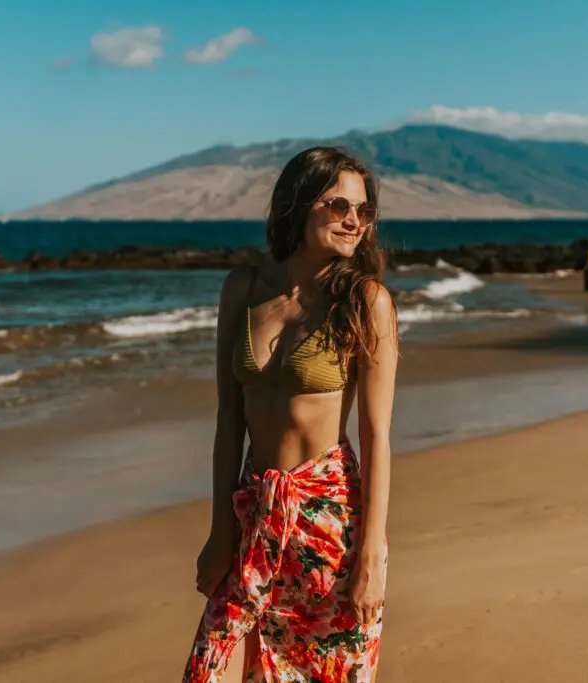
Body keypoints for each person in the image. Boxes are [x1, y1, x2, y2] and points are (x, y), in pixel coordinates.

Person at [182, 146, 399, 682]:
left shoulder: (366, 302)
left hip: (330, 524)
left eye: (363, 210)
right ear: (298, 205)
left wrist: (371, 554)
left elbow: (376, 438)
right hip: (254, 513)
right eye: (338, 205)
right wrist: (219, 532)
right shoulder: (244, 289)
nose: (354, 221)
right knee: (209, 672)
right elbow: (228, 421)